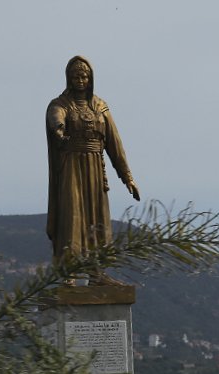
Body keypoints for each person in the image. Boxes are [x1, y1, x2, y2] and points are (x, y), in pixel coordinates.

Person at [46, 56, 140, 280]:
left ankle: (96, 271)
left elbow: (115, 145)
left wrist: (127, 177)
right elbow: (56, 118)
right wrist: (58, 129)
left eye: (84, 77)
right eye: (76, 77)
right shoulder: (60, 104)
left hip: (96, 170)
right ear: (69, 79)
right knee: (72, 215)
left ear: (90, 78)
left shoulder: (100, 107)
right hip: (72, 168)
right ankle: (68, 272)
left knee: (97, 217)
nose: (80, 81)